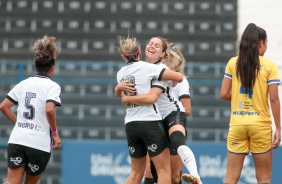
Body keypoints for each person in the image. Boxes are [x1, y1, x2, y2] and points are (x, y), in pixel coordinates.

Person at [120, 37, 202, 184]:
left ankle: (195, 175)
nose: (152, 46)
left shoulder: (157, 70)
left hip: (171, 113)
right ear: (142, 49)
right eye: (150, 43)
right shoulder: (143, 68)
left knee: (175, 154)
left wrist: (126, 98)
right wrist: (119, 89)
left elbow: (156, 95)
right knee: (153, 172)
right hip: (156, 120)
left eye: (157, 46)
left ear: (163, 54)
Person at [220, 23, 281, 184]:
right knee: (264, 178)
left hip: (238, 124)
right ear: (260, 43)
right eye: (266, 43)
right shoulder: (269, 66)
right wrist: (279, 128)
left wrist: (241, 100)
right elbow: (274, 99)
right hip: (260, 125)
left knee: (231, 178)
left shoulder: (233, 63)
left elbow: (224, 93)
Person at [0, 35, 62, 184]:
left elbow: (3, 106)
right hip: (39, 144)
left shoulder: (24, 83)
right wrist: (55, 134)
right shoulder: (53, 86)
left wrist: (18, 123)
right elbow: (49, 110)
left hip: (18, 140)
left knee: (12, 182)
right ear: (52, 68)